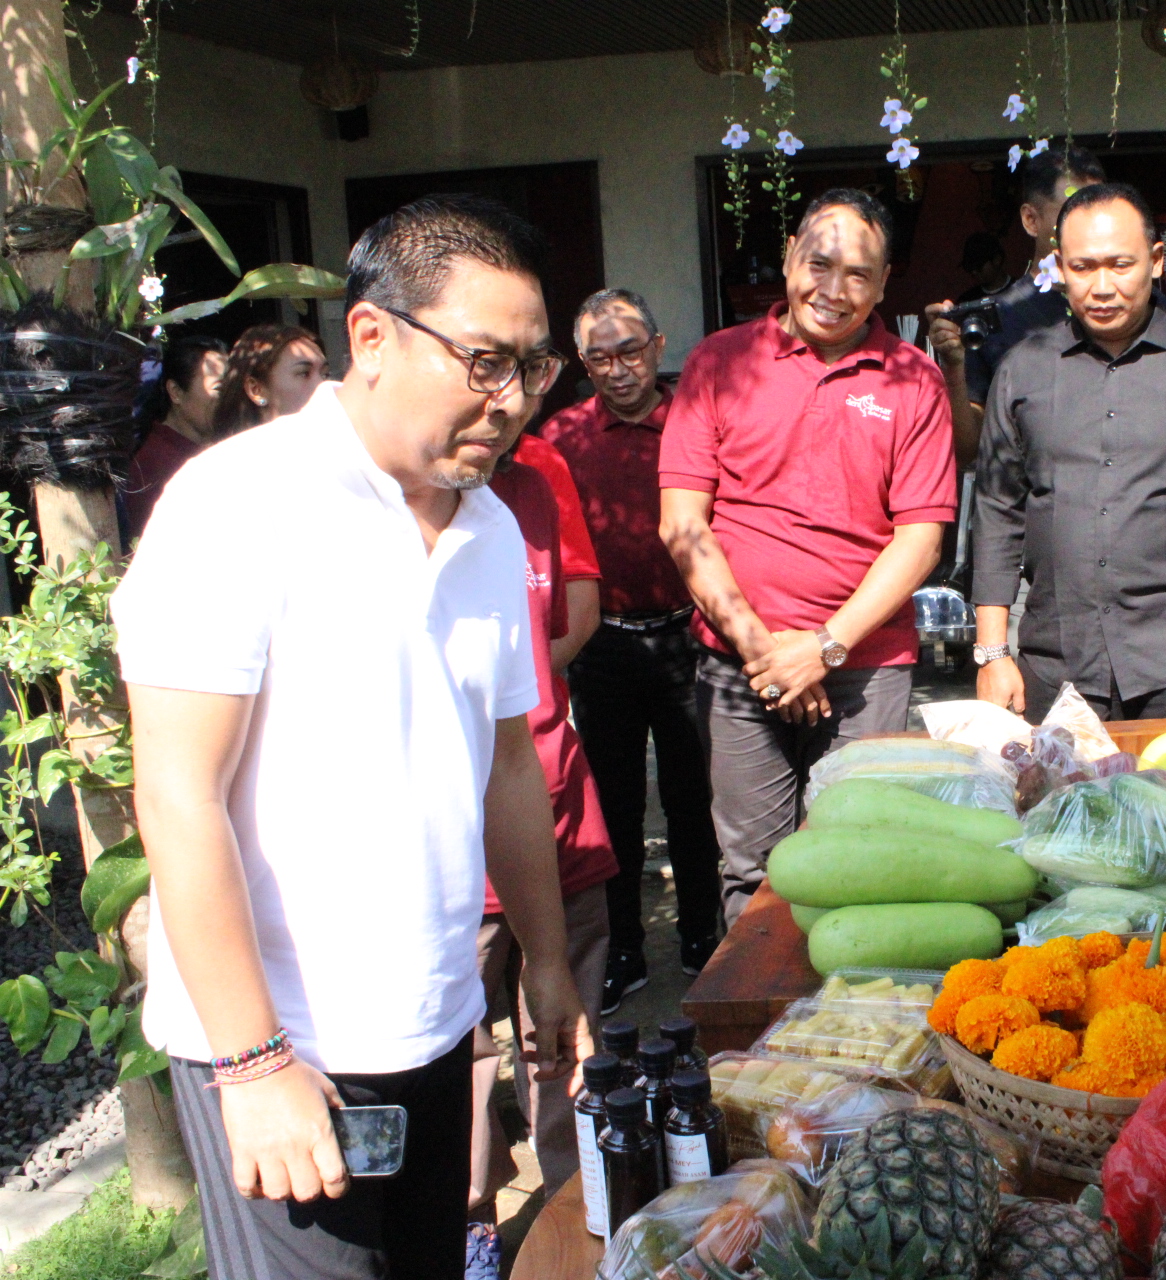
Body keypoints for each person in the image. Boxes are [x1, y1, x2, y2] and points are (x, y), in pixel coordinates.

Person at [113, 194, 591, 1280]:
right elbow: (178, 793)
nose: (510, 399)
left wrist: (548, 961)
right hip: (288, 1047)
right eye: (482, 360)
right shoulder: (239, 503)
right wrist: (252, 1059)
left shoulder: (490, 525)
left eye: (530, 366)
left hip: (431, 1025)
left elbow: (510, 766)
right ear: (371, 336)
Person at [659, 188, 955, 921]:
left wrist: (822, 648)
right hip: (740, 669)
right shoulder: (719, 362)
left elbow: (920, 537)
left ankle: (850, 1029)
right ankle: (755, 1033)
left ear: (885, 285)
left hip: (865, 668)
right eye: (818, 263)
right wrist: (769, 655)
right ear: (790, 253)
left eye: (859, 274)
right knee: (753, 872)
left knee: (863, 859)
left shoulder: (913, 379)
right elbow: (682, 524)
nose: (834, 289)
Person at [972, 183, 1166, 723]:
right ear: (1059, 267)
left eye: (1120, 265)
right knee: (1061, 809)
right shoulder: (1023, 371)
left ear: (1157, 260)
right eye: (1083, 267)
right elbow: (997, 515)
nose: (1101, 286)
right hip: (1058, 662)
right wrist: (993, 651)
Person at [543, 289, 724, 1007]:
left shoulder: (695, 422)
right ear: (580, 362)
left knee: (694, 798)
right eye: (598, 357)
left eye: (629, 351)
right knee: (612, 804)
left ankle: (701, 937)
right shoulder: (562, 437)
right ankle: (623, 947)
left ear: (658, 343)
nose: (617, 370)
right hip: (603, 645)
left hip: (686, 635)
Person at [467, 427, 619, 1278]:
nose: (501, 397)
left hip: (556, 800)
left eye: (526, 369)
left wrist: (522, 699)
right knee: (461, 1046)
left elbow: (569, 618)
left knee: (565, 1036)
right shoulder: (394, 507)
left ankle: (576, 1208)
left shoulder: (533, 482)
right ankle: (473, 1226)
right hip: (457, 838)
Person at [924, 147, 1166, 466]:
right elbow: (968, 450)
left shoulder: (1144, 303)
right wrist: (952, 369)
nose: (1091, 223)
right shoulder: (996, 318)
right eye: (1074, 210)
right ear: (1031, 220)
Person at [124, 334, 228, 534]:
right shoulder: (154, 466)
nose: (230, 398)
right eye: (220, 389)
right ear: (176, 392)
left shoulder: (211, 452)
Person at [210, 322, 329, 437]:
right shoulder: (228, 455)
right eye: (304, 373)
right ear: (256, 390)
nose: (323, 384)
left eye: (325, 374)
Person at [955, 231, 1011, 302]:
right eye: (969, 266)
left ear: (997, 259)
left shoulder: (1023, 291)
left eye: (979, 265)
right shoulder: (967, 300)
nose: (974, 272)